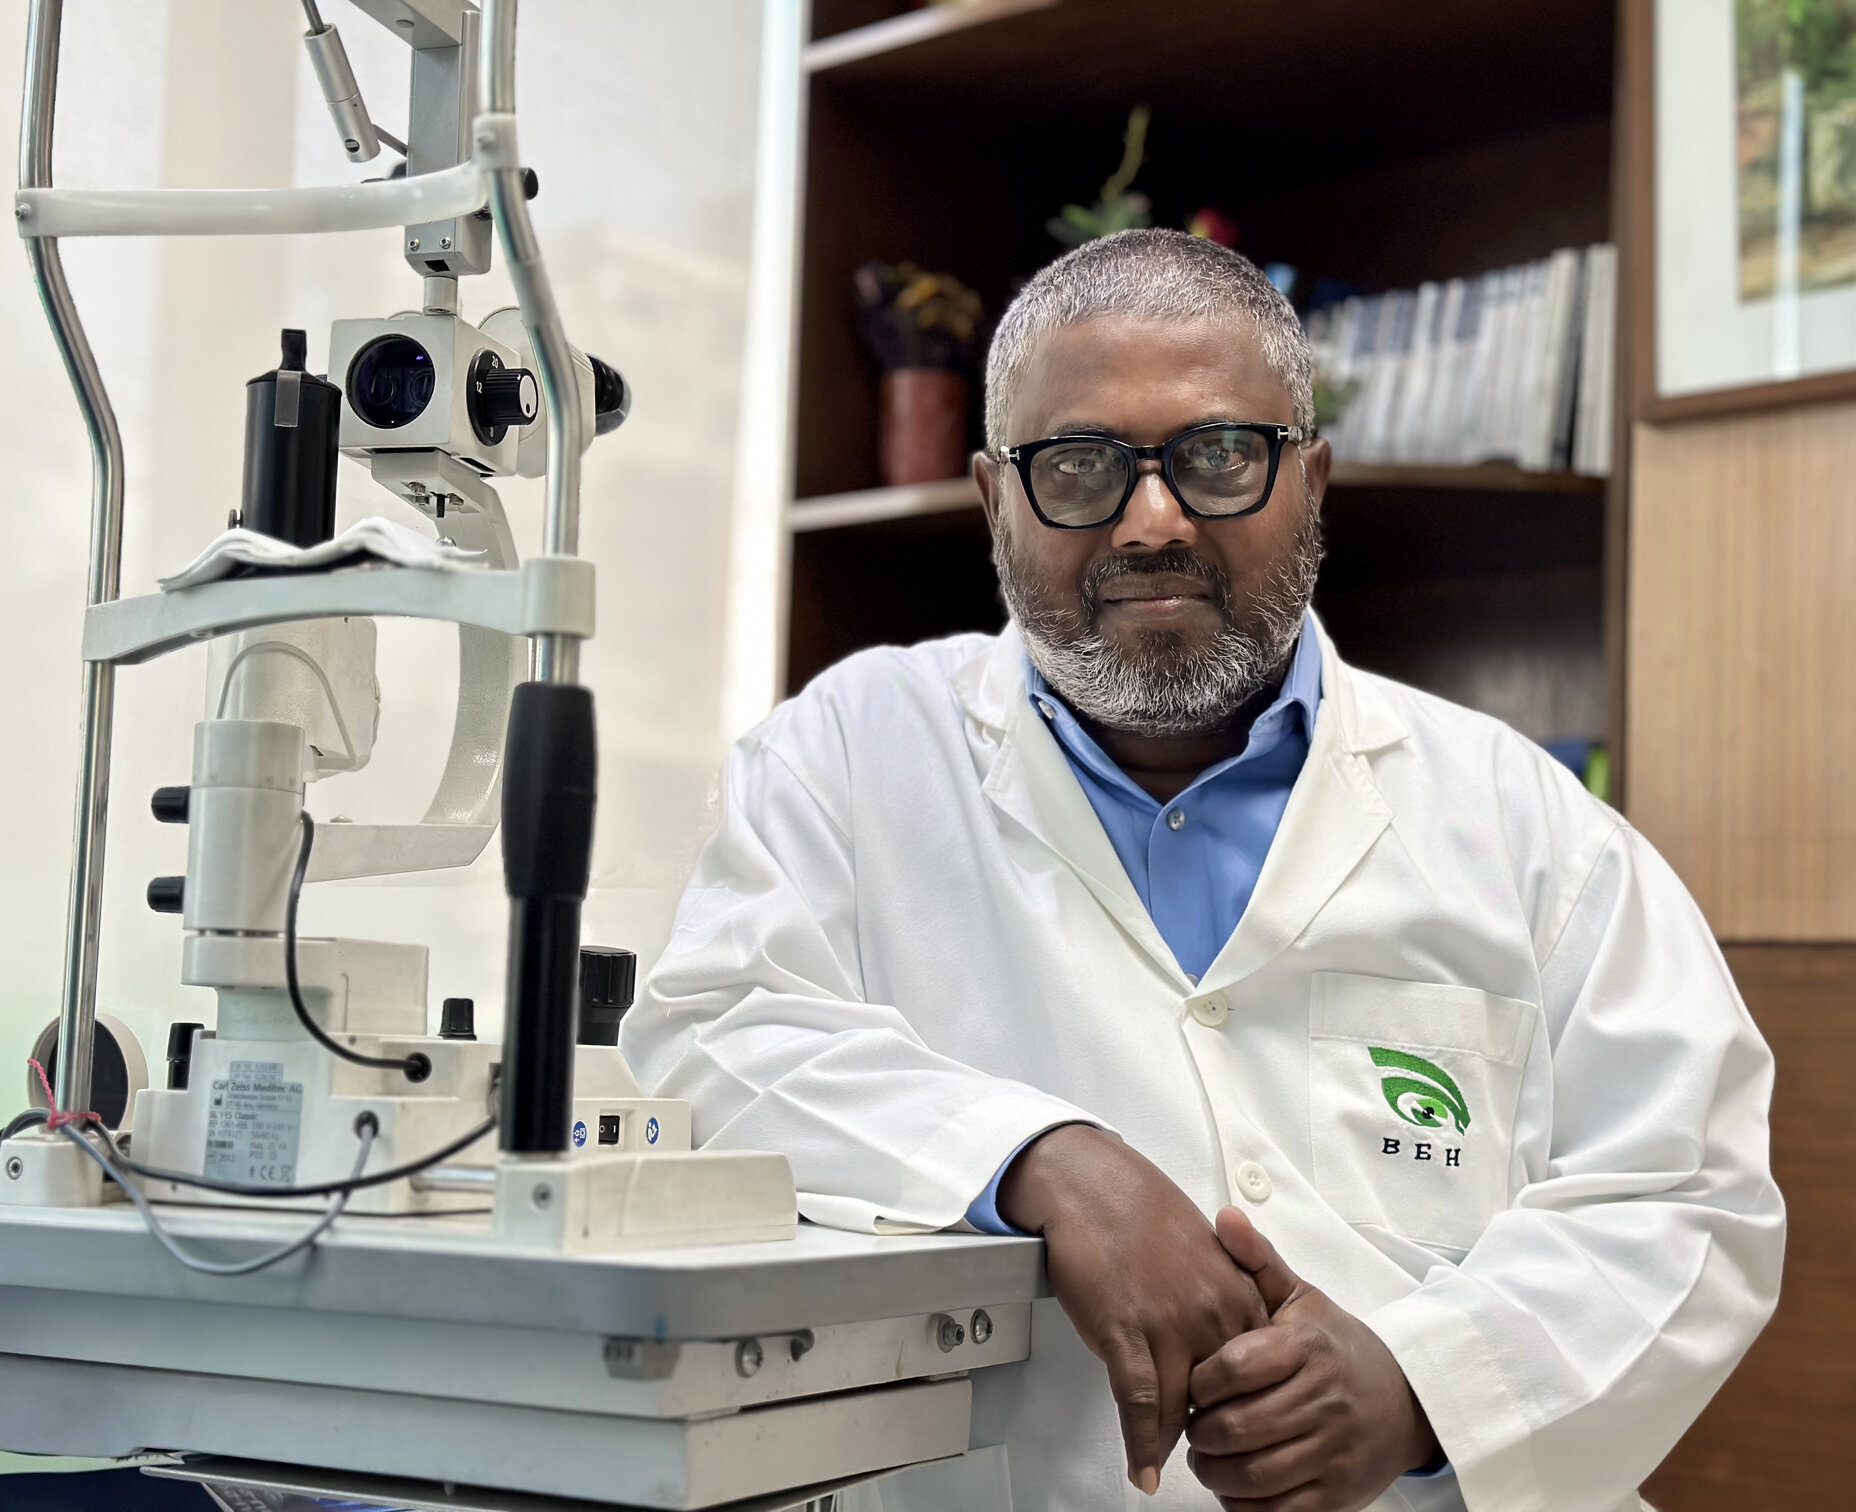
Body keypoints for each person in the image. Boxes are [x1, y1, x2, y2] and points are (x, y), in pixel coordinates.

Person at [620, 230, 1784, 1512]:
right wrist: (1036, 1159)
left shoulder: (1525, 823)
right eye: (1077, 465)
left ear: (1310, 479)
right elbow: (713, 1036)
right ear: (993, 499)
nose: (1153, 521)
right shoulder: (848, 753)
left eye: (1219, 454)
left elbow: (1689, 1193)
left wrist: (1426, 1389)